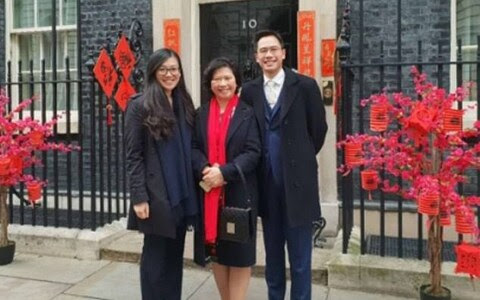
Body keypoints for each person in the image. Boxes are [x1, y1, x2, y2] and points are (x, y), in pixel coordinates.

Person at [240, 30, 328, 300]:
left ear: (283, 53)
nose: (268, 55)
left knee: (301, 261)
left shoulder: (305, 86)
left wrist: (296, 160)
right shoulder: (250, 91)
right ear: (256, 57)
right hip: (267, 189)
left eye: (273, 49)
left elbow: (318, 131)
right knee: (273, 260)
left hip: (298, 188)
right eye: (263, 51)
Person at [125, 48, 198, 300]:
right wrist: (139, 197)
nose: (170, 74)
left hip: (181, 192)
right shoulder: (140, 106)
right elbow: (133, 155)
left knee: (174, 259)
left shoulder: (184, 103)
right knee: (155, 260)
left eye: (174, 69)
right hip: (156, 195)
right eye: (164, 69)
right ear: (154, 72)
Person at [192, 57, 261, 300]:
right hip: (209, 190)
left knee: (240, 253)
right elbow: (193, 148)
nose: (223, 83)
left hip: (238, 192)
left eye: (228, 78)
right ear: (209, 84)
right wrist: (206, 169)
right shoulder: (199, 114)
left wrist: (225, 172)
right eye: (217, 79)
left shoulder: (247, 113)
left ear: (236, 81)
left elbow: (253, 152)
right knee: (217, 251)